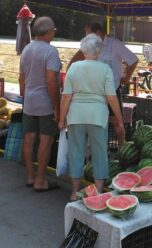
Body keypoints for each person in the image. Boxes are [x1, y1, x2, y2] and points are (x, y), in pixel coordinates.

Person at [59, 33, 125, 201]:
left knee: (76, 152)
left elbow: (66, 96)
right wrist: (119, 118)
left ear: (83, 50)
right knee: (99, 153)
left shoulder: (73, 68)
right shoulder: (105, 69)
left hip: (76, 116)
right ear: (99, 51)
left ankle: (74, 192)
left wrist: (61, 118)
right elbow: (111, 97)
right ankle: (98, 191)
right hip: (98, 116)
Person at [68, 22, 137, 141]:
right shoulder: (89, 45)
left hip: (112, 91)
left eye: (89, 35)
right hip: (93, 92)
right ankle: (95, 151)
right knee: (94, 122)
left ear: (99, 33)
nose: (88, 38)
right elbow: (71, 64)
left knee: (118, 123)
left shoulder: (114, 44)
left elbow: (133, 60)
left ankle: (123, 150)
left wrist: (126, 78)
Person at [19, 16, 62, 192]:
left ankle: (30, 176)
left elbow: (21, 78)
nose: (54, 33)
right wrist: (56, 106)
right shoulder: (50, 51)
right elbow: (51, 81)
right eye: (53, 30)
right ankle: (41, 180)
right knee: (46, 140)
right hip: (45, 102)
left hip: (29, 100)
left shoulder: (27, 49)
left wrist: (24, 96)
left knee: (29, 138)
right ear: (47, 31)